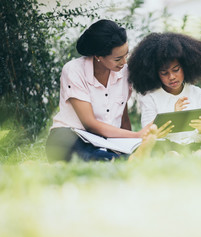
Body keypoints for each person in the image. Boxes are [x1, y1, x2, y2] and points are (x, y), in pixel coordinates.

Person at [46, 20, 171, 162]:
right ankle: (122, 161)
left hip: (108, 141)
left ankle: (130, 158)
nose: (124, 62)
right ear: (98, 57)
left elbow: (122, 116)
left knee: (147, 152)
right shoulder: (74, 70)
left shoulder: (125, 72)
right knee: (87, 154)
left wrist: (133, 143)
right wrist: (137, 135)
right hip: (71, 136)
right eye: (118, 58)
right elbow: (90, 124)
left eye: (126, 55)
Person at [127, 32, 201, 154]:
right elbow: (149, 136)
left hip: (195, 145)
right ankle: (176, 155)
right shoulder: (149, 97)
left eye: (176, 70)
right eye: (164, 73)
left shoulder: (196, 93)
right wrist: (173, 114)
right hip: (167, 146)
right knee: (147, 146)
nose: (172, 77)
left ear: (185, 66)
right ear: (155, 73)